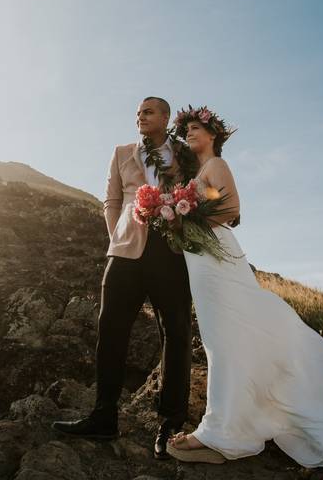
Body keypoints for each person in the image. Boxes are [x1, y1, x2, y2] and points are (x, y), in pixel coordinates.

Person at [165, 105, 323, 473]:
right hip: (201, 257)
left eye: (196, 128)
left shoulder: (216, 166)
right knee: (225, 339)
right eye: (186, 131)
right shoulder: (201, 172)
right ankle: (232, 423)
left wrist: (189, 221)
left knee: (222, 339)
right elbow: (218, 203)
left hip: (214, 256)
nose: (190, 135)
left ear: (213, 134)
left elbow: (231, 209)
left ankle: (220, 432)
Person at [52, 96, 198, 460]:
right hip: (126, 252)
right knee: (111, 329)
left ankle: (170, 423)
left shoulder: (185, 154)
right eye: (137, 113)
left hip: (171, 253)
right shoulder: (121, 152)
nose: (140, 117)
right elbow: (111, 200)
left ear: (165, 117)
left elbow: (200, 196)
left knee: (176, 333)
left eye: (148, 112)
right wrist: (117, 233)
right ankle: (104, 415)